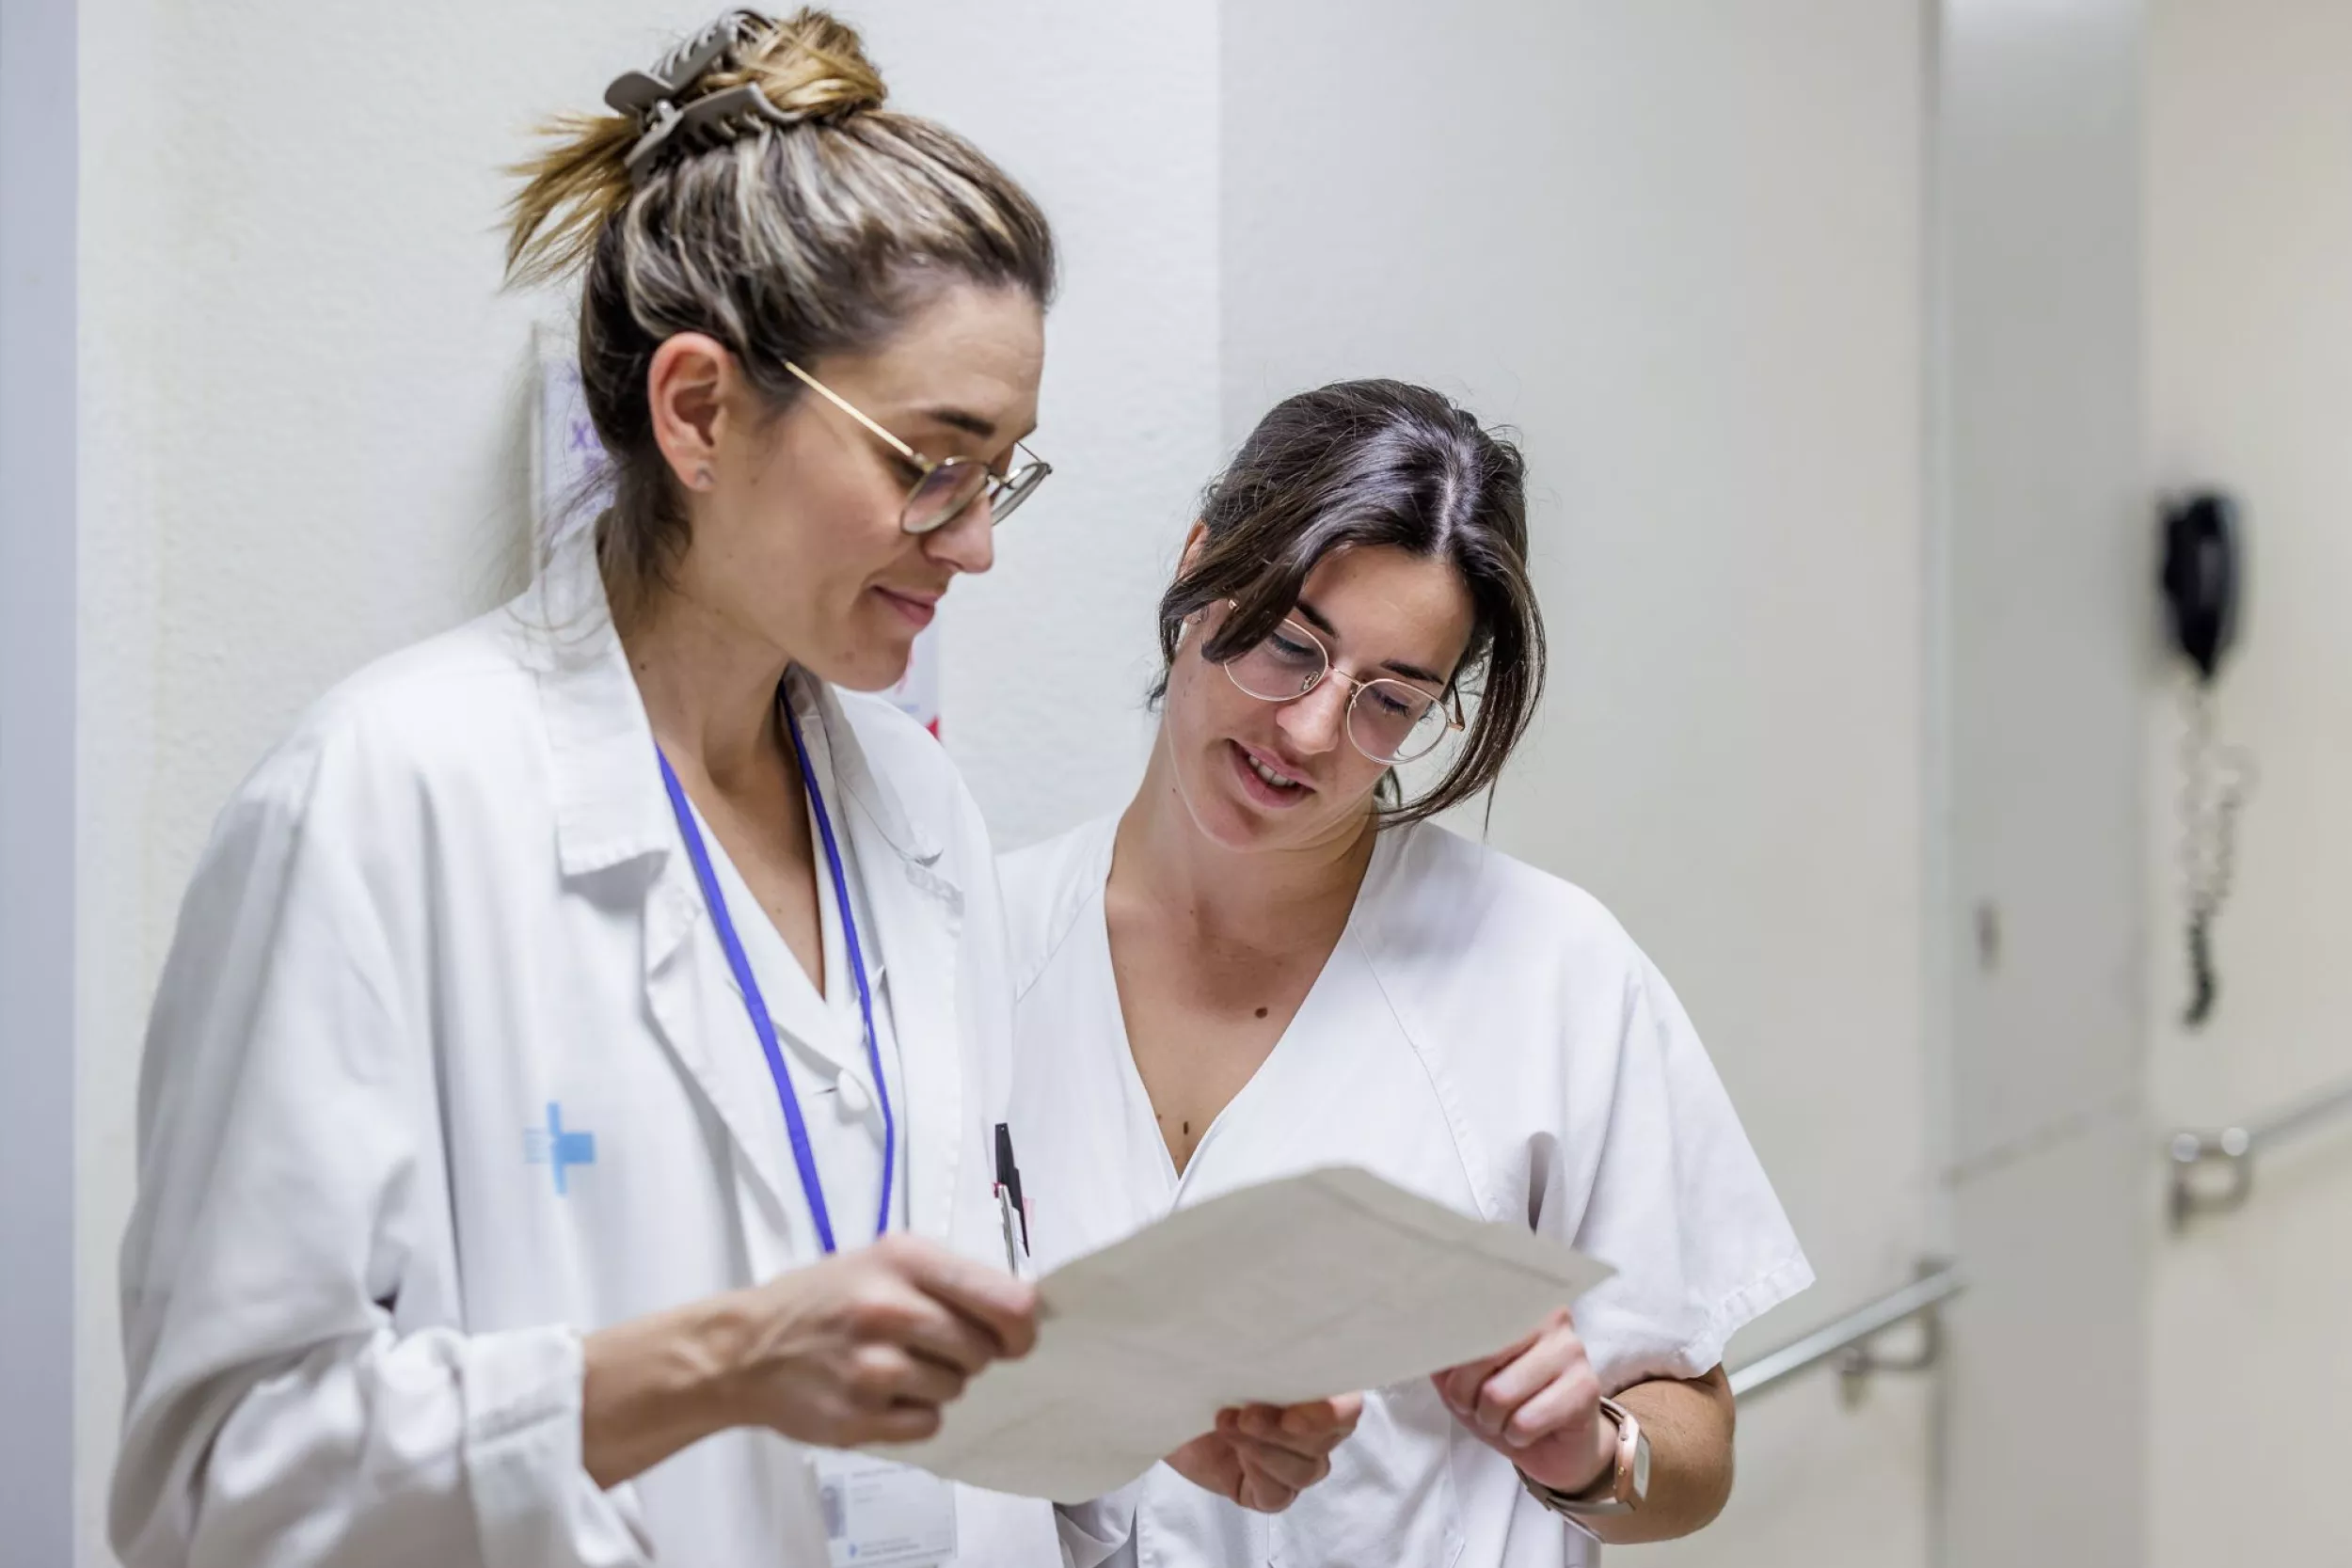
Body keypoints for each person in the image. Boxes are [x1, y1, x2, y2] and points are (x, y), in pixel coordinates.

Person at [109, 12, 1350, 1567]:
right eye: (932, 460)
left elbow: (915, 1332)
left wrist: (1117, 1398)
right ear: (697, 411)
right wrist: (712, 1366)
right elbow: (212, 1485)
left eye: (1003, 470)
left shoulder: (918, 819)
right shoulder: (384, 800)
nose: (975, 542)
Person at [1001, 379, 1816, 1565]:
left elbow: (1693, 1449)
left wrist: (1591, 1450)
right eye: (1292, 647)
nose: (1314, 732)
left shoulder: (1550, 972)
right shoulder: (977, 946)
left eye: (1391, 698)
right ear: (1199, 563)